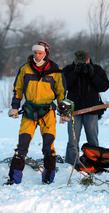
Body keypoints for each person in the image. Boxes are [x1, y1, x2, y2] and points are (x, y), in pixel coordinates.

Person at [7, 41, 66, 184]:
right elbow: (18, 90)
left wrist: (64, 111)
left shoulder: (55, 70)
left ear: (46, 53)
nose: (37, 55)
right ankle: (14, 179)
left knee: (48, 147)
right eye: (35, 53)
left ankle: (48, 178)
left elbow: (61, 93)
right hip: (29, 111)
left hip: (47, 112)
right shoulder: (25, 69)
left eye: (40, 53)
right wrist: (15, 106)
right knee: (22, 145)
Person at [63, 50, 109, 167]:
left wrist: (92, 74)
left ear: (89, 59)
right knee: (73, 139)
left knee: (92, 138)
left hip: (92, 109)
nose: (82, 63)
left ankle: (95, 162)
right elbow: (63, 86)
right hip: (73, 109)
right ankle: (71, 164)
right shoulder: (69, 69)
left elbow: (104, 86)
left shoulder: (97, 69)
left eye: (84, 60)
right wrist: (75, 73)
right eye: (79, 60)